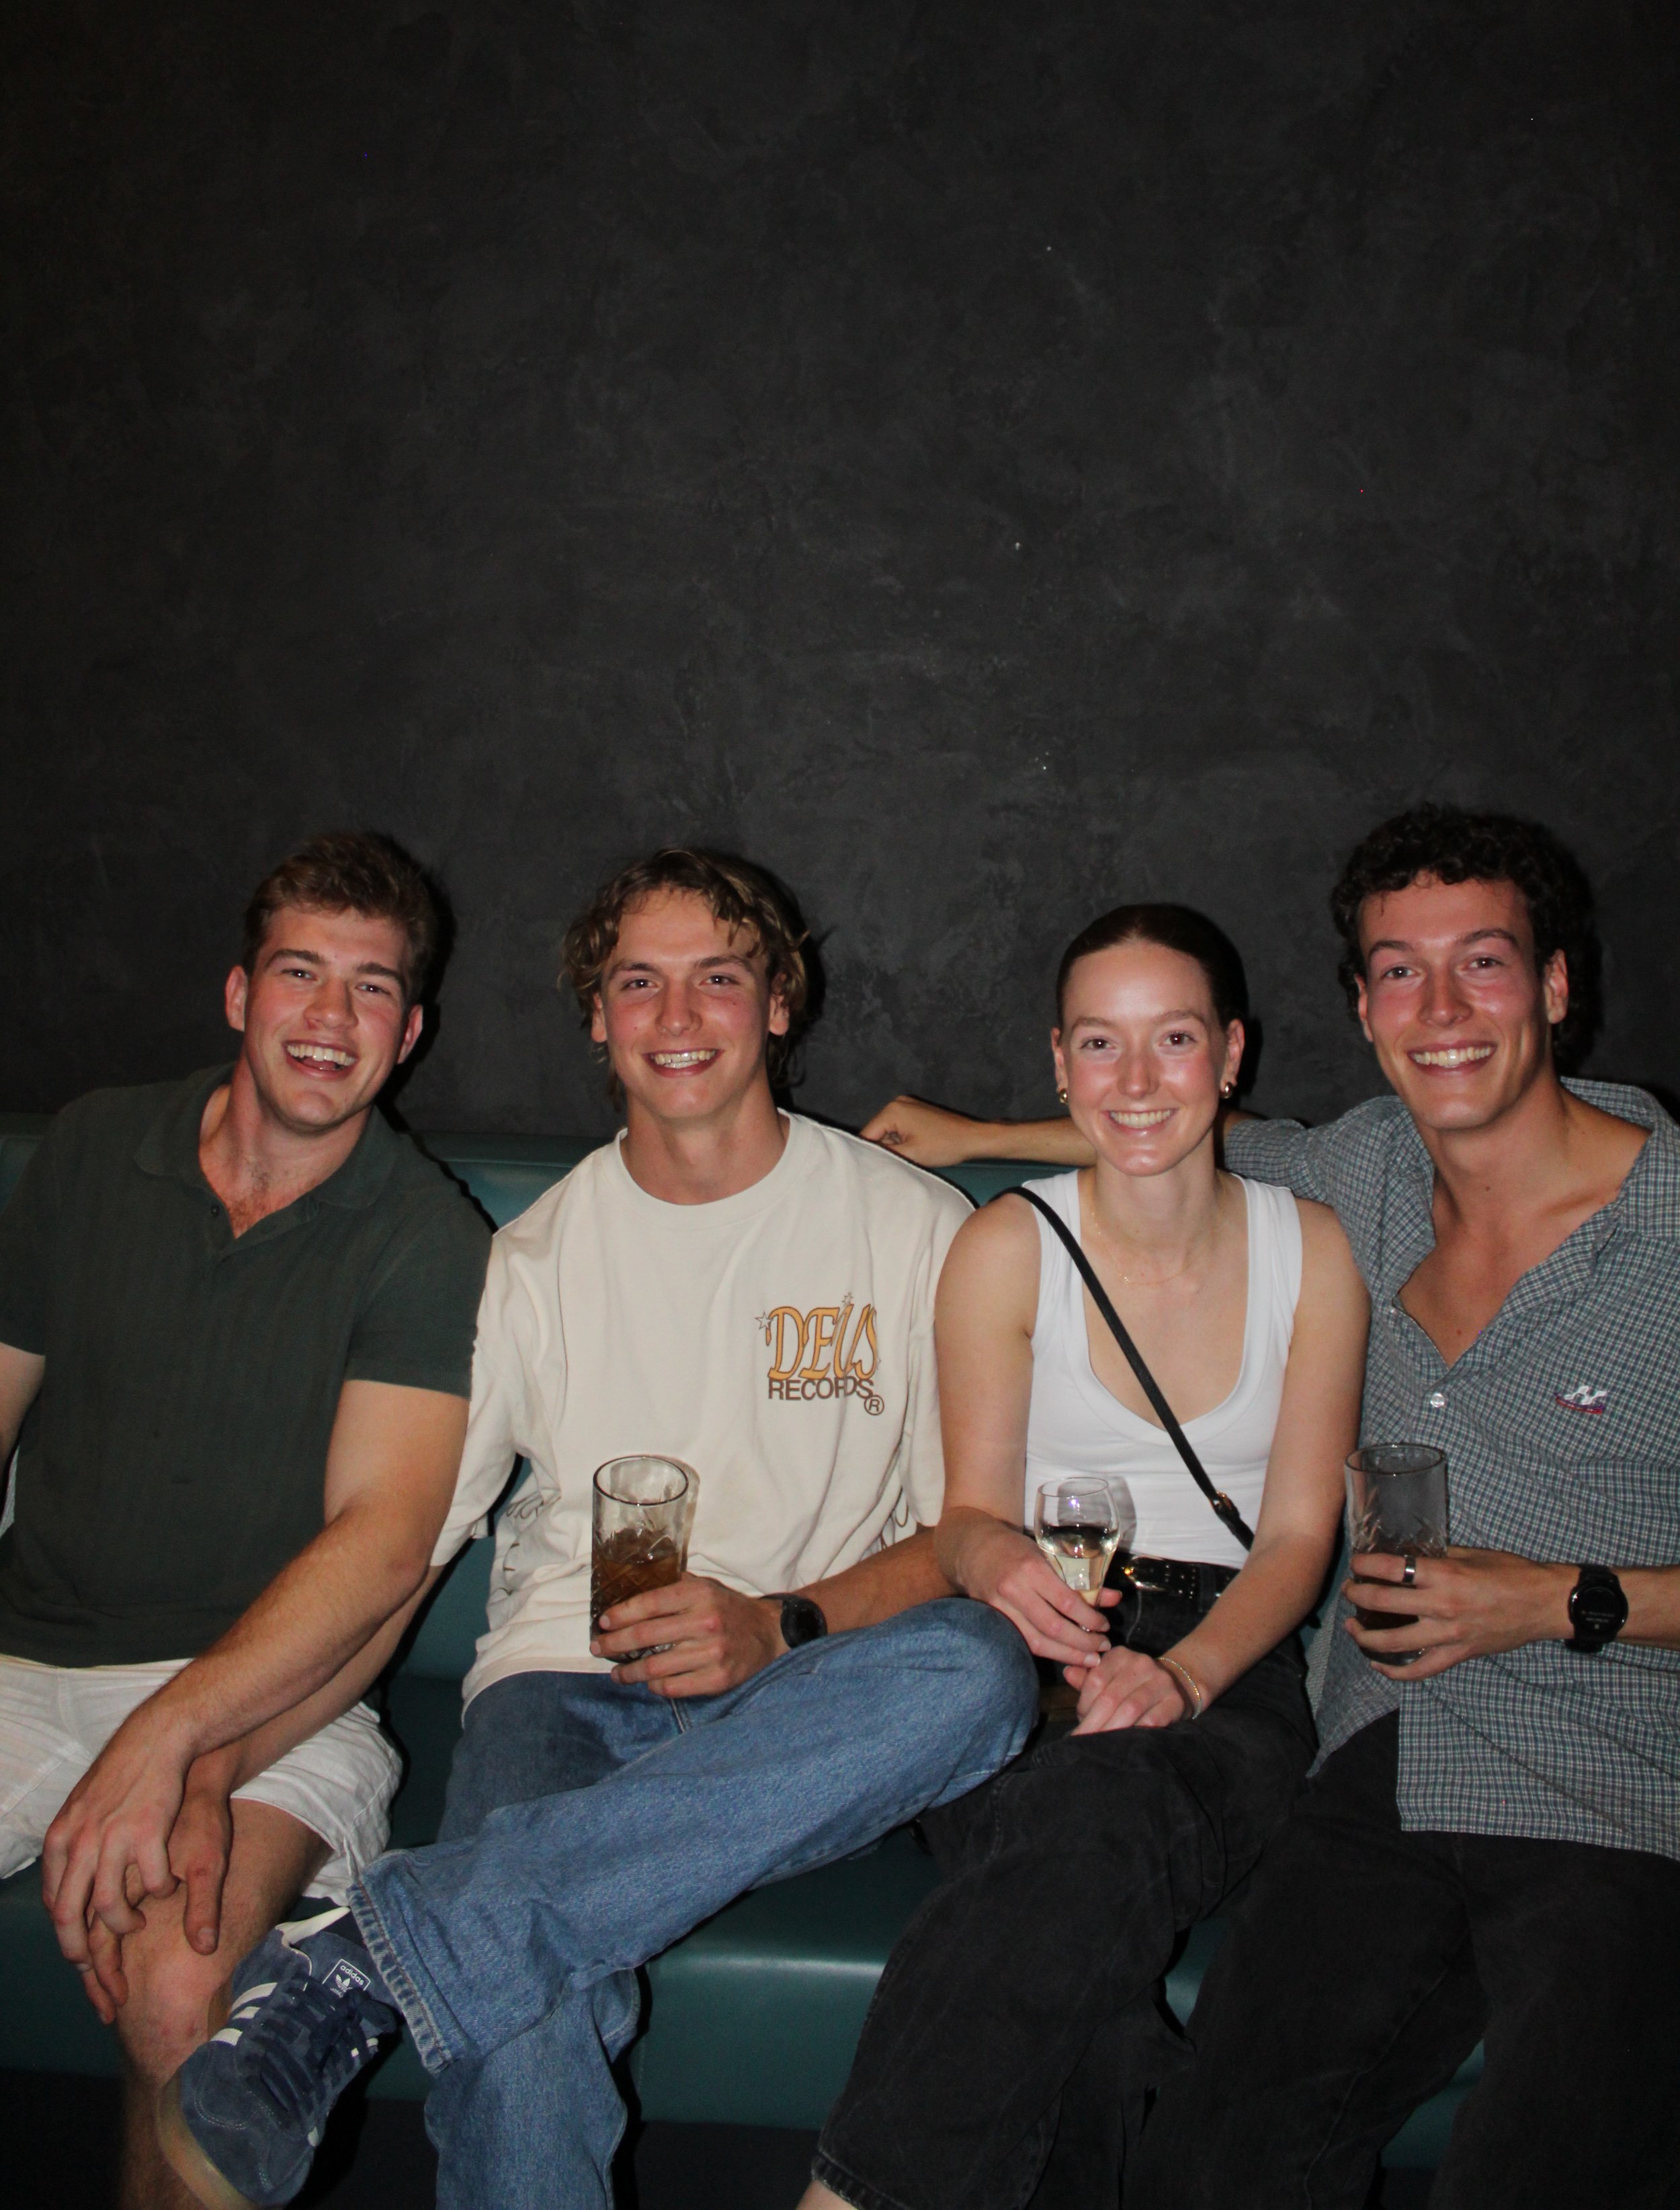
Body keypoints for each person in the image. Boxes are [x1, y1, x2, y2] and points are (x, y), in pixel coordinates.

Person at [161, 847, 1038, 2210]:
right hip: (565, 1685)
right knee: (525, 2022)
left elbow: (965, 1529)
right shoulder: (533, 1262)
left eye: (716, 979)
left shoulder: (909, 1225)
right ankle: (449, 1939)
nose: (677, 1020)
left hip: (799, 1690)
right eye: (639, 984)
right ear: (595, 1017)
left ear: (779, 1005)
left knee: (977, 1675)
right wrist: (221, 1753)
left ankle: (380, 1948)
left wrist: (778, 1621)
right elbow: (406, 1558)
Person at [866, 804, 1680, 2210]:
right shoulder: (1350, 1180)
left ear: (1554, 987)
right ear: (1360, 1007)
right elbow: (1153, 1127)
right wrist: (968, 1135)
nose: (1437, 1009)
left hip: (1622, 1779)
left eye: (1480, 964)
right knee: (1207, 2169)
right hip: (1379, 1765)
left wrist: (1561, 1599)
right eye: (1394, 972)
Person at [799, 902, 1367, 2210]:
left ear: (1229, 1055)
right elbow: (964, 1518)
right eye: (1099, 1047)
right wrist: (997, 1566)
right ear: (1058, 1065)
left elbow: (1294, 1540)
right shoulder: (1006, 1248)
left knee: (1086, 1832)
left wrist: (1185, 1681)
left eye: (1169, 1041)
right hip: (1027, 1649)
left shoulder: (1309, 1254)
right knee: (1085, 1908)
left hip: (1234, 1664)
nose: (1134, 1082)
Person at [0, 831, 489, 2210]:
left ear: (410, 1032)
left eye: (372, 989)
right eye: (300, 974)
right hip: (22, 1663)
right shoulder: (97, 1149)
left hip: (275, 1703)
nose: (330, 1020)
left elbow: (385, 1541)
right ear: (237, 994)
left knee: (177, 1997)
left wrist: (178, 1736)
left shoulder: (427, 1239)